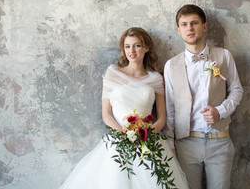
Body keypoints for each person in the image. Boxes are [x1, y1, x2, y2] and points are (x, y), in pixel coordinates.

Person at [60, 27, 189, 189]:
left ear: (146, 48)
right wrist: (125, 135)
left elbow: (162, 117)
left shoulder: (155, 78)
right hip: (120, 140)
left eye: (137, 45)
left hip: (148, 142)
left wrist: (146, 136)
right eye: (127, 46)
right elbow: (106, 114)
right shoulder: (112, 74)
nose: (132, 51)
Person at [163, 4, 243, 189]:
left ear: (204, 26)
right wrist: (169, 144)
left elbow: (237, 90)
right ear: (178, 30)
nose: (189, 28)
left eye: (194, 23)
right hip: (186, 143)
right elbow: (170, 107)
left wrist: (220, 111)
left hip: (219, 141)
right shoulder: (171, 65)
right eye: (184, 24)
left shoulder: (224, 55)